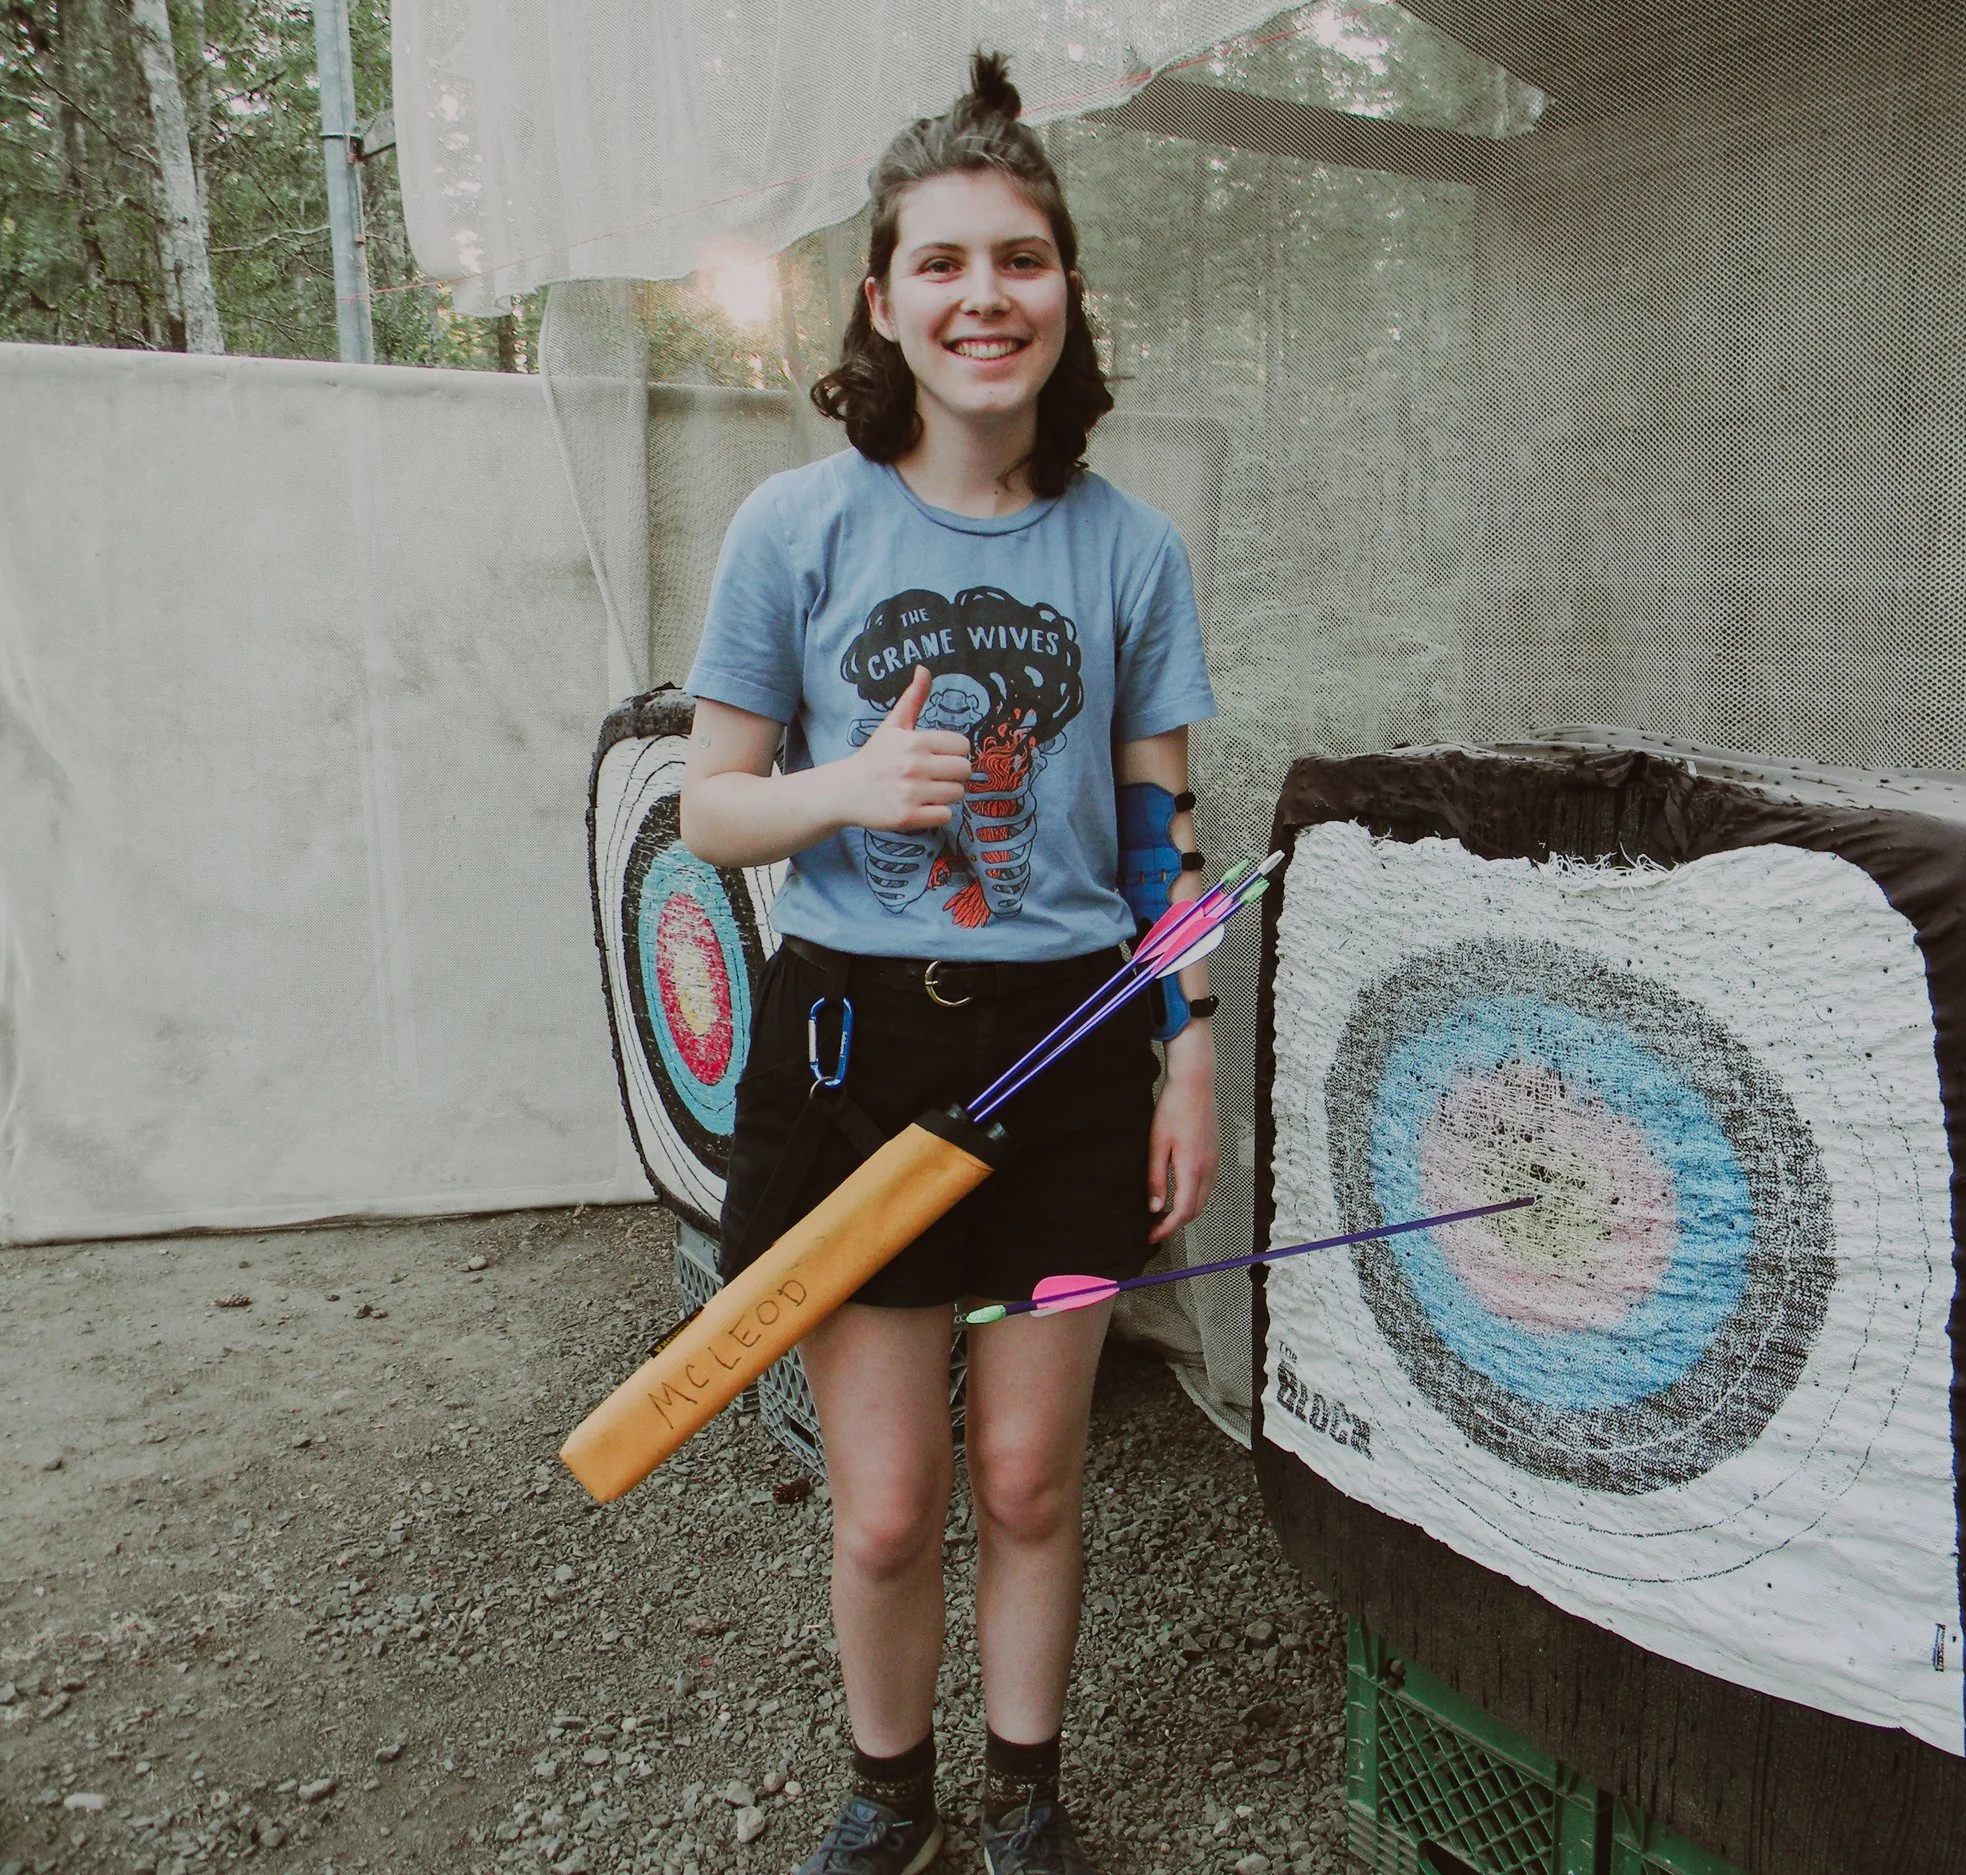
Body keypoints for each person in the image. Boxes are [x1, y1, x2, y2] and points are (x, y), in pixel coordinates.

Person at [677, 51, 1219, 1875]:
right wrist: (847, 785)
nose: (985, 296)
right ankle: (887, 1794)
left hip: (1071, 1048)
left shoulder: (1130, 550)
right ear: (883, 301)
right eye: (943, 262)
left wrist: (1192, 1051)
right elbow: (711, 808)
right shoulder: (795, 527)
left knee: (1031, 1477)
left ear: (1066, 291)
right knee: (894, 1503)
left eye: (1021, 259)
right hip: (855, 1054)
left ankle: (1026, 1797)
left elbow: (1163, 832)